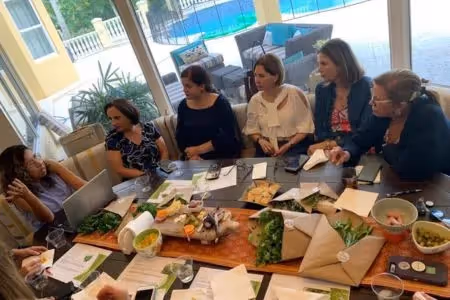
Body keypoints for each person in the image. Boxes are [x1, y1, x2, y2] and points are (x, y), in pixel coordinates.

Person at [329, 69, 450, 180]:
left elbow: (409, 168)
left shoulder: (428, 117)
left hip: (438, 186)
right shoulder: (384, 114)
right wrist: (346, 152)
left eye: (377, 99)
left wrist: (384, 148)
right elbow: (359, 139)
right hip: (399, 181)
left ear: (400, 105)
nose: (371, 103)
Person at [308, 38, 372, 155]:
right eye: (318, 64)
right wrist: (327, 146)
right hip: (329, 150)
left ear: (341, 64)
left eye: (324, 64)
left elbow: (364, 132)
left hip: (358, 150)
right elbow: (320, 130)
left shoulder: (367, 87)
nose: (319, 69)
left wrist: (332, 144)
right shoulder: (322, 89)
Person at [244, 53, 314, 157]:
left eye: (262, 76)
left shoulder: (294, 93)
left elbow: (306, 128)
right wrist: (260, 141)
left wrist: (289, 145)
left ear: (275, 77)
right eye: (255, 75)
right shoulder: (255, 100)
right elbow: (252, 130)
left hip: (294, 146)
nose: (257, 80)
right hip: (266, 148)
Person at [0, 145, 86, 231]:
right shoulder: (17, 192)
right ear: (20, 173)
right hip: (55, 231)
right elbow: (49, 218)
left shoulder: (50, 166)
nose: (39, 163)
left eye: (35, 156)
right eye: (31, 163)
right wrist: (28, 195)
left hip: (78, 215)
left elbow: (83, 185)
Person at [176, 65, 241, 160]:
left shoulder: (220, 103)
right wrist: (192, 155)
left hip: (223, 155)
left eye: (188, 86)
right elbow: (180, 137)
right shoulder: (183, 106)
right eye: (183, 86)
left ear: (202, 86)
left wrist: (198, 150)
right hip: (194, 157)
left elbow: (227, 135)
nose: (184, 90)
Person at [105, 99, 169, 178]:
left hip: (162, 173)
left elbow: (164, 151)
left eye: (117, 118)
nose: (113, 123)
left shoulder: (148, 127)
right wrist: (148, 176)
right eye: (110, 119)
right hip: (139, 181)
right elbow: (120, 169)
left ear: (129, 114)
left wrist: (162, 170)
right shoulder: (112, 138)